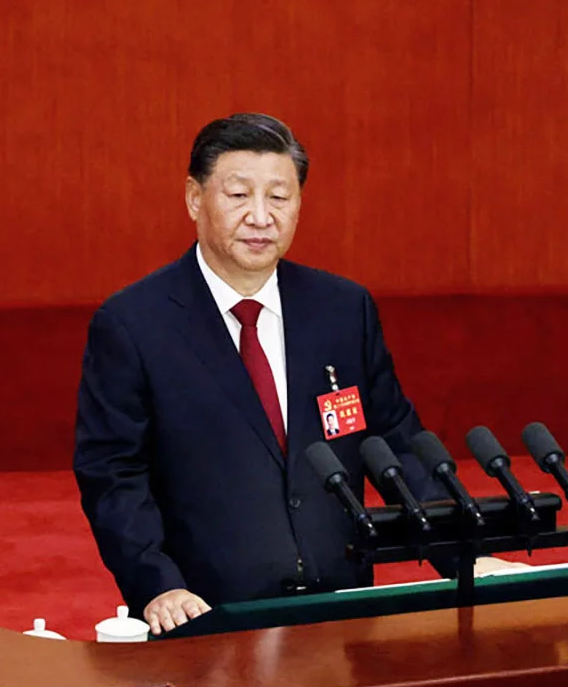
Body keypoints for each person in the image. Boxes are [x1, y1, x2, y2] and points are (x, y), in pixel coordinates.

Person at [74, 113, 443, 634]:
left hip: (340, 615)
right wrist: (157, 583)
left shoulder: (342, 309)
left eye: (279, 197)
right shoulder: (134, 324)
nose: (261, 216)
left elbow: (396, 443)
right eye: (239, 195)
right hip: (206, 618)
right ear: (194, 199)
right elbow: (113, 476)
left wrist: (464, 553)